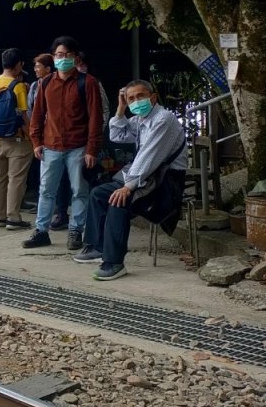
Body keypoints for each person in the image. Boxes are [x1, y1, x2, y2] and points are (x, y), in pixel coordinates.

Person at [74, 80, 187, 280]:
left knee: (119, 200)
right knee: (99, 193)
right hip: (148, 177)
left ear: (152, 97)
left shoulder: (163, 119)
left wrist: (128, 186)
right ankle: (98, 247)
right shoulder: (140, 120)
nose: (136, 101)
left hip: (166, 183)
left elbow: (149, 156)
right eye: (131, 98)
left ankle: (114, 262)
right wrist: (120, 108)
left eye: (140, 96)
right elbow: (117, 135)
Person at [25, 36, 103, 251]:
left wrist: (92, 149)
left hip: (78, 146)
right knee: (46, 190)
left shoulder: (87, 83)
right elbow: (38, 114)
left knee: (79, 191)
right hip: (50, 146)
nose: (63, 59)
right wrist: (36, 142)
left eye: (68, 55)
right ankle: (41, 231)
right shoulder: (46, 82)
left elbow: (96, 118)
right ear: (53, 57)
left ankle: (75, 231)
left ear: (76, 58)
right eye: (59, 55)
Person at [52, 53, 111, 229]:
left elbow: (104, 111)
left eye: (82, 64)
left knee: (83, 180)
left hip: (86, 142)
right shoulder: (58, 84)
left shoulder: (93, 84)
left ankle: (86, 218)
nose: (79, 67)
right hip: (63, 141)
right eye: (76, 63)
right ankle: (61, 213)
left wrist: (95, 136)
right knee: (61, 179)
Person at [0, 48, 33, 230]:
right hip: (17, 140)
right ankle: (13, 218)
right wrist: (32, 136)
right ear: (18, 65)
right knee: (16, 179)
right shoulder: (19, 86)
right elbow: (23, 115)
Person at [25, 54, 54, 211]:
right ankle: (44, 207)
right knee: (42, 172)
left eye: (38, 67)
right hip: (40, 135)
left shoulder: (56, 85)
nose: (35, 69)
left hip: (55, 135)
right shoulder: (35, 86)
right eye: (35, 66)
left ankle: (58, 207)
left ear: (48, 68)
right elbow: (31, 111)